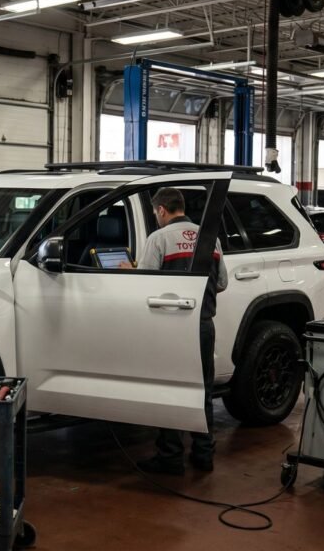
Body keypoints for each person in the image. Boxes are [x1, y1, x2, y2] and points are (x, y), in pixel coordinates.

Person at [122, 187, 227, 475]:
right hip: (203, 326)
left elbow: (146, 283)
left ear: (161, 210)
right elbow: (222, 283)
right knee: (202, 391)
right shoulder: (210, 238)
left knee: (169, 390)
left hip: (170, 329)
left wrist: (128, 271)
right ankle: (204, 454)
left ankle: (170, 457)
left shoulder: (159, 238)